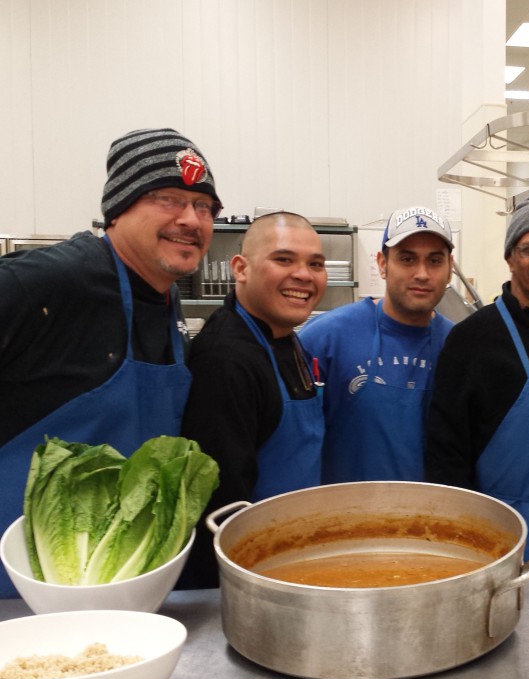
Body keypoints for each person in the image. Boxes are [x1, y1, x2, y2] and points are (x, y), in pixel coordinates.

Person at [0, 127, 220, 599]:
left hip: (122, 587)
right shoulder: (55, 281)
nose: (191, 219)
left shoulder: (166, 300)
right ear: (118, 208)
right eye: (168, 199)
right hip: (20, 592)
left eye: (204, 207)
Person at [425, 194, 529, 560]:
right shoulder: (472, 340)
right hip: (499, 538)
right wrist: (467, 544)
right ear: (510, 258)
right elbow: (446, 458)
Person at [178, 212, 326, 589]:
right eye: (284, 260)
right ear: (240, 268)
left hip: (288, 562)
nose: (304, 275)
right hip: (249, 579)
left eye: (315, 264)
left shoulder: (285, 337)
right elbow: (217, 507)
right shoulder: (226, 359)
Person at [300, 206, 454, 483]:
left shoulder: (458, 347)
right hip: (342, 519)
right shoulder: (326, 338)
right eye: (407, 259)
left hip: (431, 520)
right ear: (382, 264)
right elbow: (294, 445)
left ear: (449, 268)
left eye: (434, 261)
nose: (422, 273)